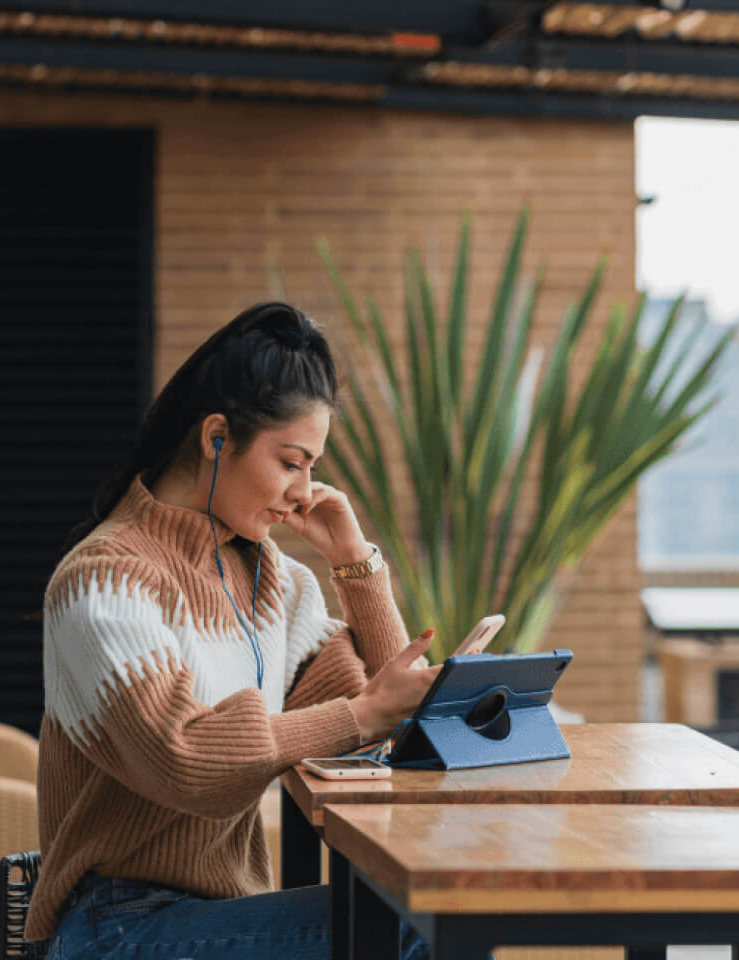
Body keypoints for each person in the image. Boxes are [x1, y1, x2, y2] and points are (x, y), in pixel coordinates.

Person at [30, 301, 441, 959]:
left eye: (311, 466)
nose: (305, 492)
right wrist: (364, 712)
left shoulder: (264, 575)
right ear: (217, 438)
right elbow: (186, 761)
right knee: (414, 928)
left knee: (426, 913)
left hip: (220, 916)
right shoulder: (104, 579)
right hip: (111, 929)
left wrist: (354, 563)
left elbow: (390, 706)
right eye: (291, 462)